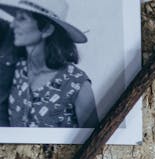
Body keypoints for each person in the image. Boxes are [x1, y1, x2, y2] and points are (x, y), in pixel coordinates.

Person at [0, 0, 98, 128]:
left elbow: (95, 140)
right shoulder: (17, 69)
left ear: (46, 29)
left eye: (22, 19)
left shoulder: (77, 83)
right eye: (15, 18)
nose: (12, 25)